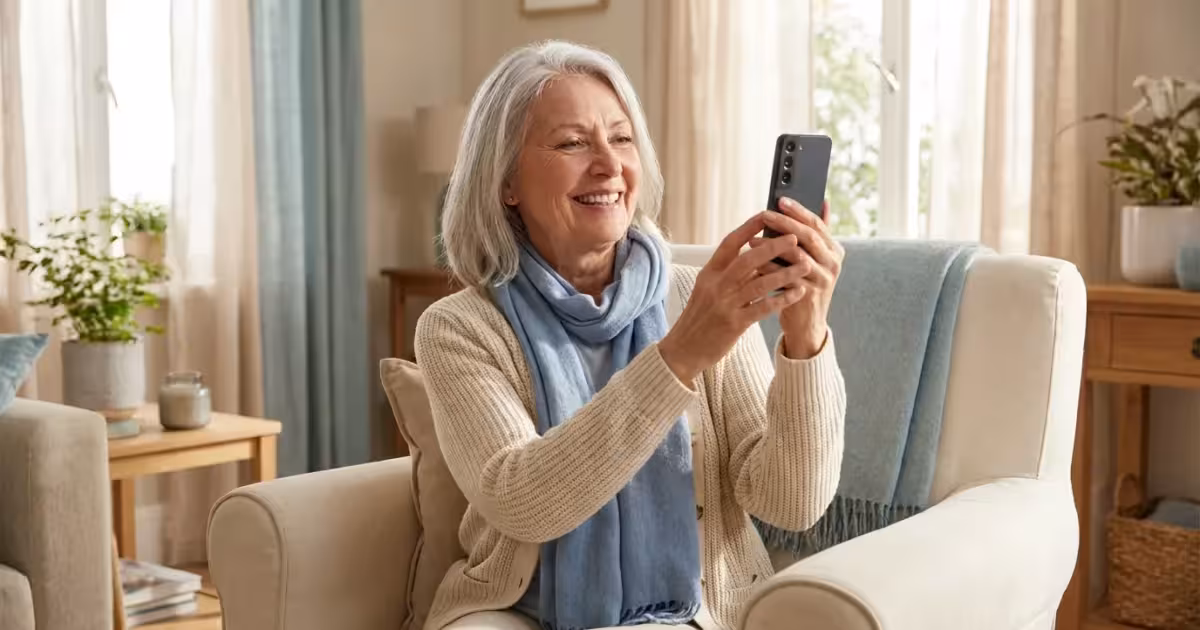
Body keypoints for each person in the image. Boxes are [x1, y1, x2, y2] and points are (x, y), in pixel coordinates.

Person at [414, 40, 846, 630]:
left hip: (689, 609)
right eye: (571, 143)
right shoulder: (459, 328)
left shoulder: (703, 298)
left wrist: (805, 335)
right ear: (505, 180)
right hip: (517, 610)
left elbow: (790, 504)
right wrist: (679, 356)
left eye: (621, 138)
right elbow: (521, 501)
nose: (609, 164)